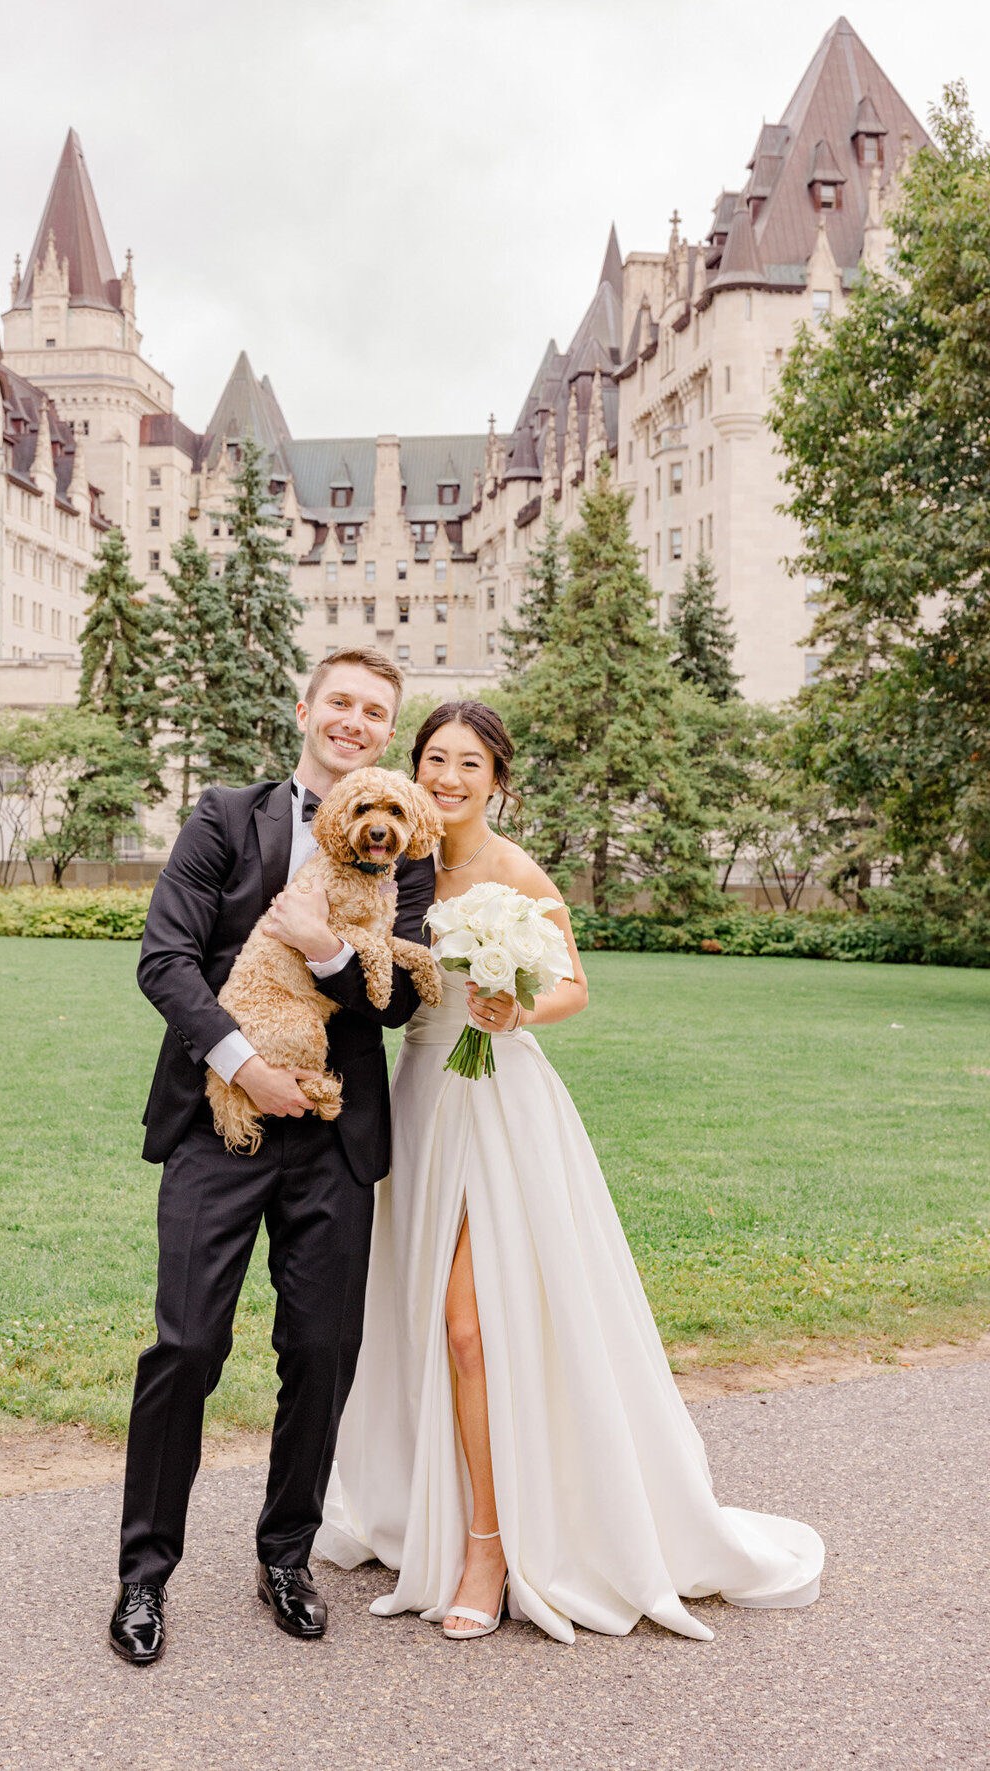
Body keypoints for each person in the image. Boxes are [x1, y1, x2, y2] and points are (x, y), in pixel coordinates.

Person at [317, 700, 824, 1643]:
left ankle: (490, 1546)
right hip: (423, 1098)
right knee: (429, 1316)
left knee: (471, 1324)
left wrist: (516, 1008)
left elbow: (576, 985)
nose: (448, 776)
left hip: (500, 1102)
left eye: (470, 762)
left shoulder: (514, 871)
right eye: (434, 757)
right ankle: (437, 1503)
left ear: (497, 780)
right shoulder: (396, 863)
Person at [109, 648, 434, 1663]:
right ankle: (143, 1573)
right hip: (220, 1120)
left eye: (374, 711)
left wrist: (333, 952)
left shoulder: (406, 848)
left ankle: (286, 1554)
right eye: (339, 701)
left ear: (384, 732)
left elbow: (408, 995)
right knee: (188, 1345)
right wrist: (247, 1066)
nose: (354, 720)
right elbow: (164, 959)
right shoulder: (224, 815)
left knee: (322, 1351)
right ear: (305, 708)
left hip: (337, 1135)